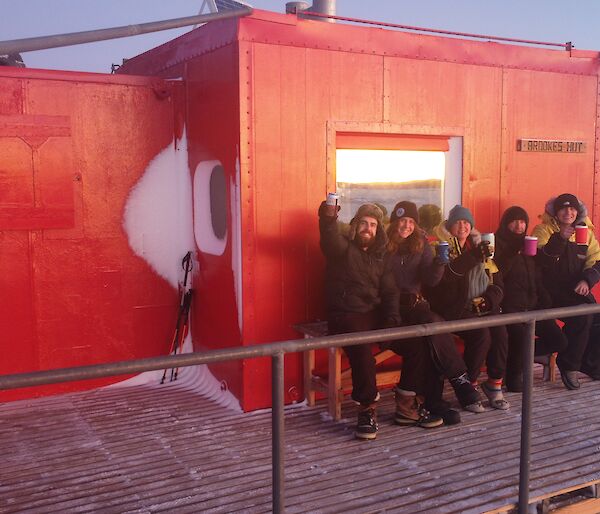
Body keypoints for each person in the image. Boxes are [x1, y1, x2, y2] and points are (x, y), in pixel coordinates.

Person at [319, 200, 443, 440]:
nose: (368, 228)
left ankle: (407, 406)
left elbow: (390, 292)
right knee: (363, 347)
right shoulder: (342, 248)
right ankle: (366, 409)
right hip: (346, 314)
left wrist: (392, 317)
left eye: (373, 225)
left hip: (373, 314)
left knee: (415, 343)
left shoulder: (381, 256)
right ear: (355, 226)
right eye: (363, 223)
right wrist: (328, 217)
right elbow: (329, 236)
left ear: (378, 230)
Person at [386, 201, 484, 420]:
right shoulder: (382, 245)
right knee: (429, 335)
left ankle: (440, 395)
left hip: (415, 305)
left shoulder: (420, 243)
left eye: (411, 221)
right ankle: (453, 386)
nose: (406, 226)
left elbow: (431, 280)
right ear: (394, 222)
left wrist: (440, 263)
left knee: (433, 327)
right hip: (390, 309)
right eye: (402, 221)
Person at [427, 205, 510, 410]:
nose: (463, 226)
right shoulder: (440, 246)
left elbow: (497, 284)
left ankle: (494, 384)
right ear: (450, 225)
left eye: (466, 222)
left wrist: (488, 300)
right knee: (481, 334)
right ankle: (469, 385)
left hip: (479, 306)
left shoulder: (479, 247)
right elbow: (444, 281)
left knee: (500, 331)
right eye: (458, 222)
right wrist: (472, 258)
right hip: (450, 308)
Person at [494, 206, 567, 392]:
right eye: (515, 221)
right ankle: (513, 375)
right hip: (509, 308)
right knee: (519, 338)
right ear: (506, 223)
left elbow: (538, 272)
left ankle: (520, 356)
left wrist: (543, 295)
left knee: (559, 340)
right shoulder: (496, 243)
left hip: (532, 307)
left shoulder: (529, 244)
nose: (519, 225)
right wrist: (512, 250)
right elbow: (498, 272)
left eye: (522, 221)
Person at [532, 193, 600, 389]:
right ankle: (569, 365)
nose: (568, 212)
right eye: (563, 208)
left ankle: (591, 364)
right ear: (556, 212)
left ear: (578, 211)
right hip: (547, 291)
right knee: (582, 316)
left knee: (596, 315)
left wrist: (587, 280)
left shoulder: (585, 233)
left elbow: (597, 262)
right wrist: (559, 238)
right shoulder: (543, 230)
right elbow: (540, 262)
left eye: (572, 209)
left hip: (575, 289)